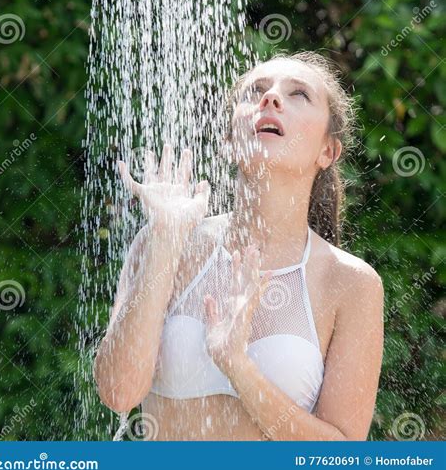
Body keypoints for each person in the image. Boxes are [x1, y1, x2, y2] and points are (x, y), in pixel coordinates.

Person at [93, 51, 384, 440]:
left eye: (298, 95)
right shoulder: (166, 240)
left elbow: (342, 458)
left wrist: (236, 365)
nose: (271, 99)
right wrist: (166, 239)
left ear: (327, 151)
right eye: (256, 91)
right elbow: (117, 392)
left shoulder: (350, 282)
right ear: (230, 141)